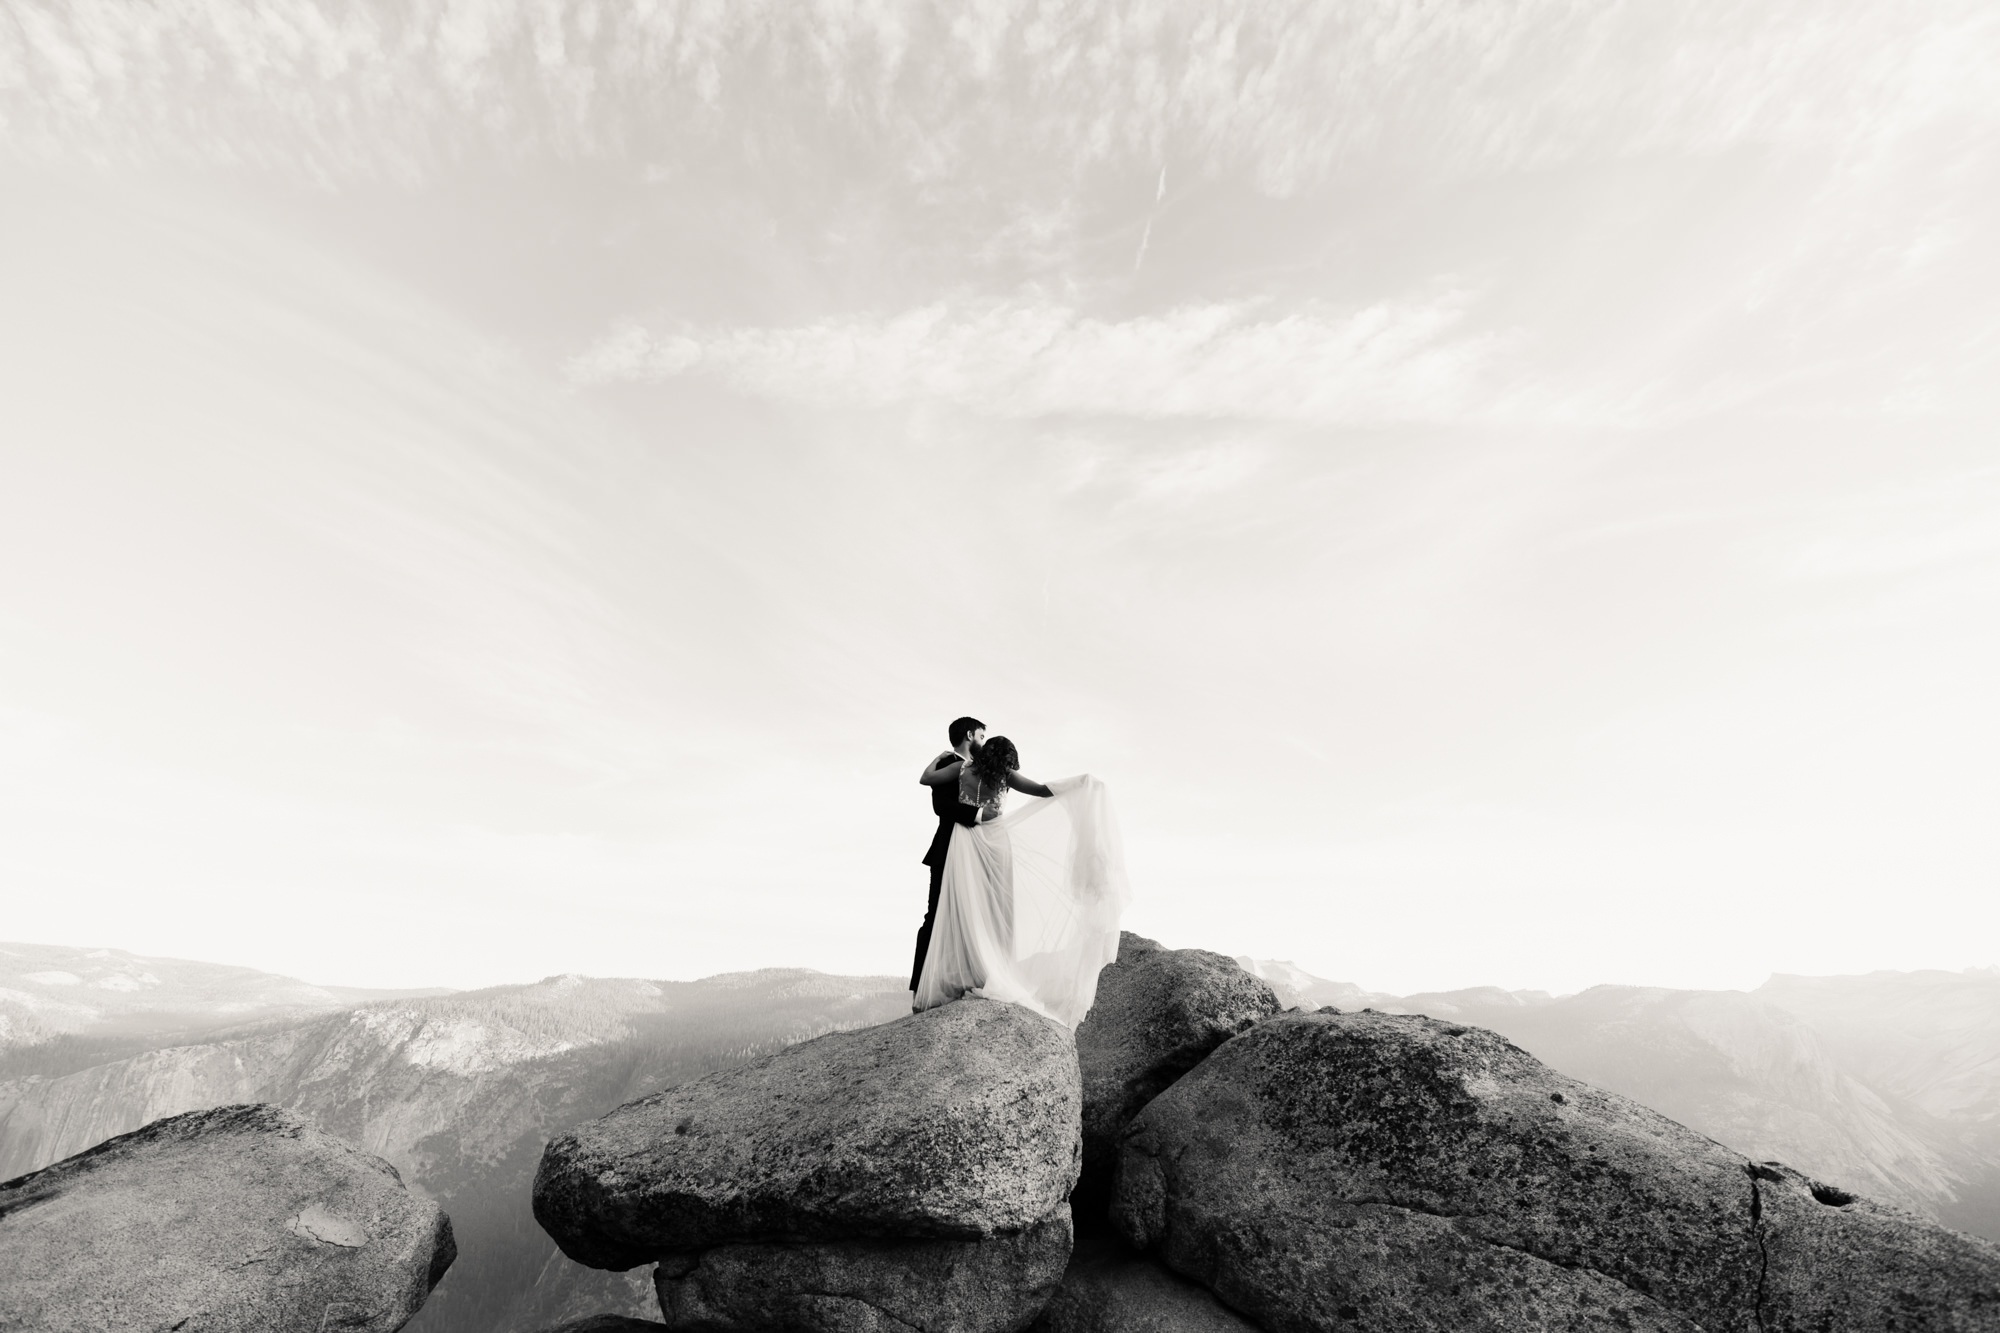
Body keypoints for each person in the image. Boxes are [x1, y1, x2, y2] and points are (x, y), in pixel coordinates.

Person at [913, 733, 1130, 1029]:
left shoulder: (960, 769)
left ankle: (963, 973)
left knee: (964, 908)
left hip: (964, 841)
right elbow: (1042, 791)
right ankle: (989, 972)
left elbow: (927, 779)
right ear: (1007, 758)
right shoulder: (1006, 775)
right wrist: (1080, 784)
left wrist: (938, 758)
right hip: (996, 840)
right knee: (997, 908)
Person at [912, 716, 985, 1006]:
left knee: (971, 915)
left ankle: (960, 980)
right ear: (969, 735)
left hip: (975, 850)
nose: (983, 742)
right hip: (948, 847)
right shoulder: (948, 763)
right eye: (980, 735)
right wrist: (978, 816)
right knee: (935, 917)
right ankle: (921, 988)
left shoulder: (979, 767)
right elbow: (940, 806)